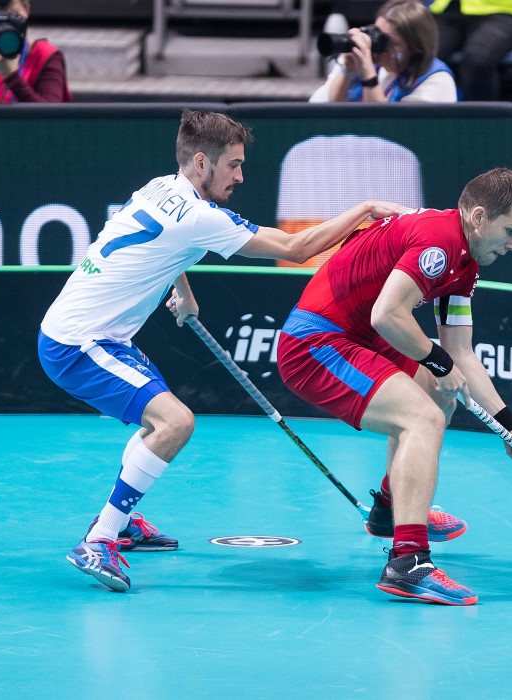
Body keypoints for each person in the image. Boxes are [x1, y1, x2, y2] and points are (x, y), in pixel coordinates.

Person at [38, 110, 408, 592]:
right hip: (80, 344)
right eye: (232, 165)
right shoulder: (198, 215)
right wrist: (362, 210)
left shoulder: (161, 187)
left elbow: (167, 245)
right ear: (200, 162)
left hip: (91, 336)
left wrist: (182, 288)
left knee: (159, 422)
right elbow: (295, 249)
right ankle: (100, 538)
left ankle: (122, 524)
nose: (240, 175)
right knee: (175, 423)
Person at [276, 167, 512, 606]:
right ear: (478, 216)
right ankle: (408, 562)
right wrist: (436, 360)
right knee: (423, 418)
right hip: (315, 343)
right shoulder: (439, 242)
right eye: (510, 230)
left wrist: (510, 426)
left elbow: (461, 353)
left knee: (437, 392)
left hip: (358, 338)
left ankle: (389, 508)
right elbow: (388, 315)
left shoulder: (466, 263)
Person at [309, 0, 458, 103]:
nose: (380, 48)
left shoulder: (436, 81)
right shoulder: (362, 59)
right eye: (377, 35)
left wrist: (368, 76)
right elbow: (325, 110)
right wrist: (347, 70)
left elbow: (387, 130)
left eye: (392, 43)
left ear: (415, 48)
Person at [430, 0, 512, 101]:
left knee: (477, 58)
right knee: (422, 55)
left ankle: (479, 122)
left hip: (510, 12)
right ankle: (420, 121)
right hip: (450, 11)